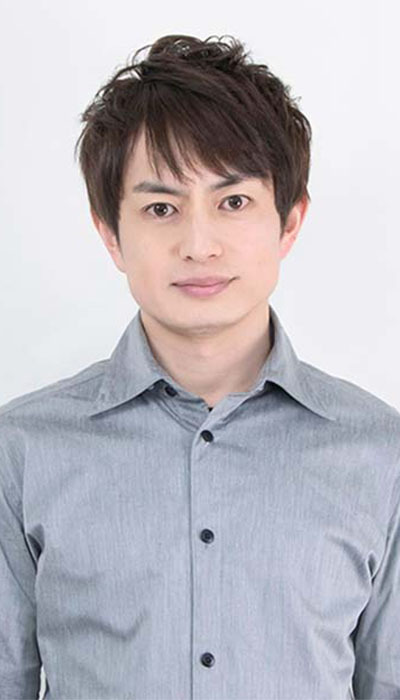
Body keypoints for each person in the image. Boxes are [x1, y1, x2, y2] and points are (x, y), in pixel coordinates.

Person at [0, 33, 399, 700]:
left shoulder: (382, 454)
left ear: (290, 222)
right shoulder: (20, 451)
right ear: (110, 234)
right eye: (161, 208)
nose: (198, 243)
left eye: (233, 202)